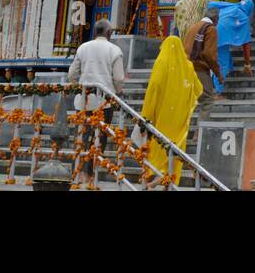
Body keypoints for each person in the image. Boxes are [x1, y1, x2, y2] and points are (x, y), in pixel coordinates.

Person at [67, 19, 126, 186]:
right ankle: (90, 174)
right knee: (99, 138)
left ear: (95, 32)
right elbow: (119, 78)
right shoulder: (114, 50)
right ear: (109, 33)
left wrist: (80, 86)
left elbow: (72, 75)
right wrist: (117, 91)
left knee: (81, 137)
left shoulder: (83, 48)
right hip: (103, 102)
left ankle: (77, 173)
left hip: (83, 102)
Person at [138, 35, 201, 183]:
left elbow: (154, 87)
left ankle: (149, 178)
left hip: (161, 115)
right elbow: (198, 89)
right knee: (175, 147)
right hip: (179, 117)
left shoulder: (162, 62)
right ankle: (166, 179)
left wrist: (147, 112)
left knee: (157, 145)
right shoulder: (188, 66)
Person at [210, 0, 254, 93]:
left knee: (226, 60)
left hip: (210, 32)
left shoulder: (231, 6)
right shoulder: (244, 18)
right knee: (223, 64)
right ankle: (218, 92)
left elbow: (211, 3)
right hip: (220, 39)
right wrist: (247, 64)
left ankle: (229, 74)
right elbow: (246, 44)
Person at [183, 4, 224, 104]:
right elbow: (209, 54)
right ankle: (203, 120)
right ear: (215, 18)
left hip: (187, 67)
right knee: (207, 100)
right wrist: (218, 74)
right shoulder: (211, 29)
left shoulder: (194, 27)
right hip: (199, 68)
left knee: (192, 100)